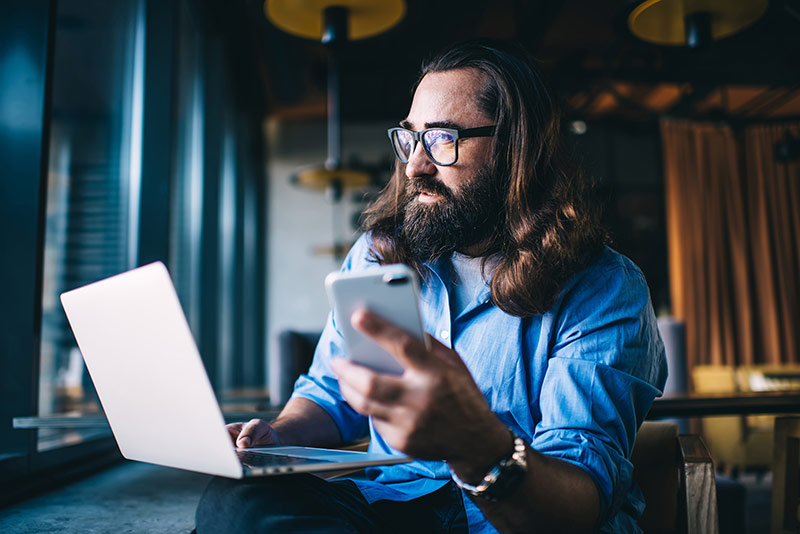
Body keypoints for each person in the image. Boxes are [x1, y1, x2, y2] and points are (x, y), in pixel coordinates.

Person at [195, 40, 667, 534]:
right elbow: (333, 391)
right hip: (390, 502)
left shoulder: (605, 287)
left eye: (443, 139)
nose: (415, 165)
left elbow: (576, 500)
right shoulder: (380, 254)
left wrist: (476, 445)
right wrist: (277, 435)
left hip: (510, 520)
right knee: (236, 504)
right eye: (410, 139)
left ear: (514, 148)